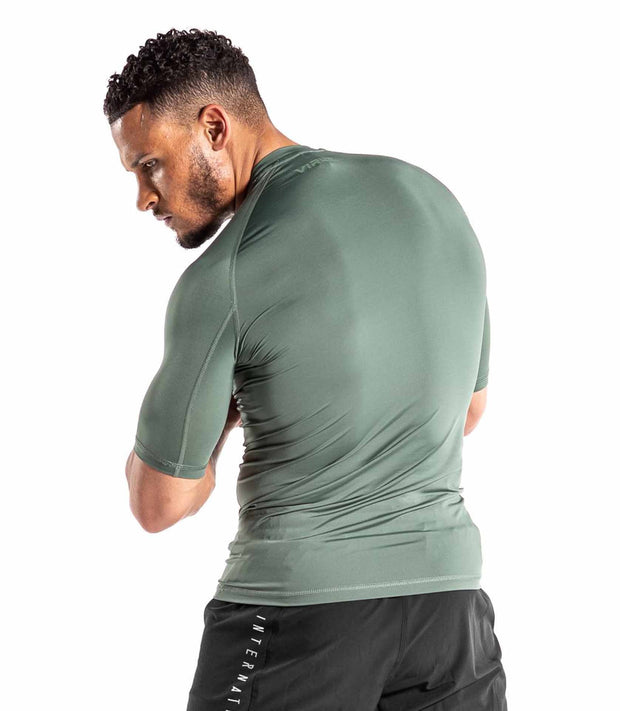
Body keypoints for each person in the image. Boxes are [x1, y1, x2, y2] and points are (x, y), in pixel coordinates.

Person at [103, 27, 507, 711]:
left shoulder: (226, 275)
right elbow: (468, 410)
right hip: (451, 616)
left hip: (297, 619)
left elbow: (159, 503)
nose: (144, 196)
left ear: (214, 128)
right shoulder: (431, 199)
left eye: (150, 165)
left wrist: (225, 421)